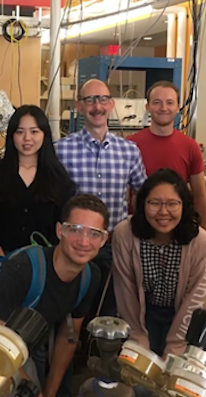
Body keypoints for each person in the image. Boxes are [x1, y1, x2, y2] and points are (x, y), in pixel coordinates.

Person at [0, 194, 106, 397]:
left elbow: (68, 337)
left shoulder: (91, 276)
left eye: (94, 234)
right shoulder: (22, 269)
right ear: (60, 231)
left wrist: (48, 393)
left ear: (104, 239)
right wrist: (31, 389)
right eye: (75, 230)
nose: (84, 241)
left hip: (32, 341)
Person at [54, 79, 147, 316]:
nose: (97, 106)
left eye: (103, 99)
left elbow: (145, 195)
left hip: (113, 245)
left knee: (109, 308)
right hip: (75, 244)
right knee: (71, 306)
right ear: (79, 106)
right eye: (90, 100)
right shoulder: (61, 149)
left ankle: (99, 351)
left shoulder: (129, 150)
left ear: (111, 104)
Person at [112, 169, 206, 357]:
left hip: (182, 315)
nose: (163, 212)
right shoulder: (125, 234)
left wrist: (175, 344)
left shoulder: (201, 242)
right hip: (141, 313)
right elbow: (125, 290)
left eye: (172, 204)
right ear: (142, 204)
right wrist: (138, 337)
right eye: (154, 203)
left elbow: (195, 298)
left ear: (184, 205)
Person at [0, 105, 76, 256]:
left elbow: (63, 225)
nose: (27, 138)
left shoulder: (59, 177)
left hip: (45, 263)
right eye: (20, 132)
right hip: (1, 262)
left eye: (34, 131)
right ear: (11, 135)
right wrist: (0, 258)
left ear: (44, 135)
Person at [127, 81, 206, 229]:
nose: (163, 108)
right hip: (139, 229)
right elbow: (125, 194)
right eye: (157, 102)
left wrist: (201, 234)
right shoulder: (130, 145)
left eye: (169, 103)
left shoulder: (190, 146)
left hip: (178, 228)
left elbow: (200, 196)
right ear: (148, 107)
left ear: (178, 108)